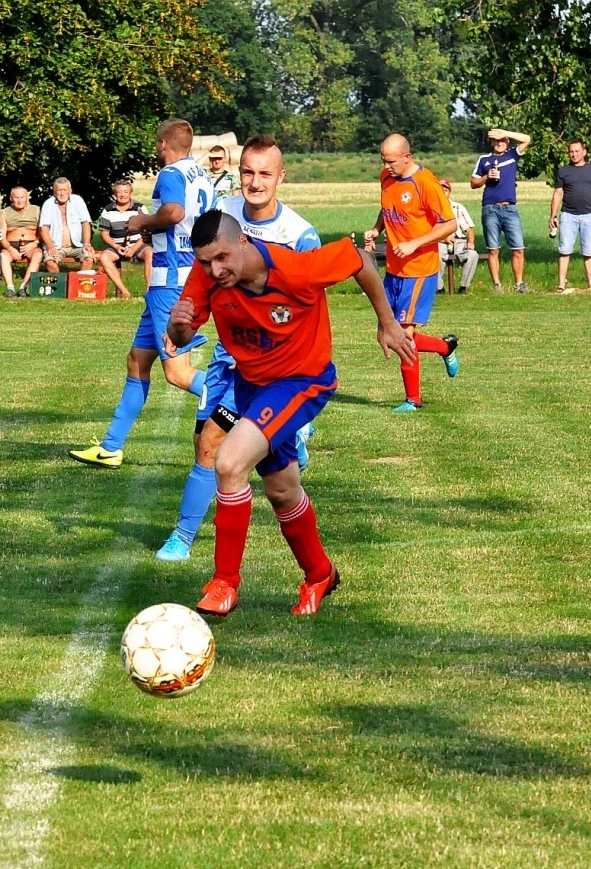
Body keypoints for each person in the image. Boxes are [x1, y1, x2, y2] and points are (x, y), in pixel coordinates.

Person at [169, 210, 415, 617]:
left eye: (223, 257)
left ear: (244, 242)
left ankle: (225, 583)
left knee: (229, 462)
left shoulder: (297, 267)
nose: (215, 269)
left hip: (303, 382)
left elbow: (360, 258)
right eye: (206, 261)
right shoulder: (208, 275)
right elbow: (182, 334)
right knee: (282, 490)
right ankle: (320, 574)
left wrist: (387, 322)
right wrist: (179, 329)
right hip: (252, 387)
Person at [155, 134, 333, 562]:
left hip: (277, 369)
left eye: (264, 174)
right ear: (238, 174)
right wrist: (183, 319)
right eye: (248, 173)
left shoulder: (299, 235)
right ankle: (187, 535)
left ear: (280, 177)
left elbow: (310, 305)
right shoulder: (221, 217)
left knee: (217, 446)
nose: (255, 183)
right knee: (217, 449)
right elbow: (203, 271)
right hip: (228, 358)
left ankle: (188, 542)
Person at [69, 118, 216, 469]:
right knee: (137, 362)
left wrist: (142, 223)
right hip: (179, 276)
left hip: (170, 281)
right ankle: (111, 447)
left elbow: (174, 212)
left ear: (164, 143)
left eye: (157, 142)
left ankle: (249, 407)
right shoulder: (201, 175)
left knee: (178, 373)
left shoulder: (170, 175)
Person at [363, 133, 462, 412]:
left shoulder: (425, 184)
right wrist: (376, 229)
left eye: (391, 160)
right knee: (386, 333)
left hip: (419, 270)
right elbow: (388, 209)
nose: (386, 165)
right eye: (383, 160)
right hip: (394, 269)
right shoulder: (386, 177)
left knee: (404, 336)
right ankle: (445, 347)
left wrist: (415, 243)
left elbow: (450, 224)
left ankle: (413, 400)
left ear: (407, 157)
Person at [470, 127, 532, 293]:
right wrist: (486, 177)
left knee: (518, 248)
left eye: (502, 141)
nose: (499, 144)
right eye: (496, 141)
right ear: (492, 143)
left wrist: (505, 133)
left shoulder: (512, 155)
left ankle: (519, 284)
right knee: (493, 249)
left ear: (507, 142)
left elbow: (527, 139)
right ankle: (497, 285)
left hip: (510, 208)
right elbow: (473, 183)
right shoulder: (484, 159)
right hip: (490, 208)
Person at [550, 140, 591, 294]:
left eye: (576, 151)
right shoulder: (564, 171)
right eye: (571, 152)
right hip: (568, 215)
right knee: (565, 250)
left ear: (584, 152)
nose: (574, 154)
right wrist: (553, 215)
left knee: (588, 251)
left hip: (589, 216)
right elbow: (558, 194)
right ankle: (561, 284)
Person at [96, 179, 151, 299]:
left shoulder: (140, 208)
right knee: (104, 257)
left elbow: (147, 232)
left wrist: (133, 248)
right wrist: (116, 246)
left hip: (138, 245)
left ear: (130, 193)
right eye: (119, 192)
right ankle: (124, 292)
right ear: (114, 194)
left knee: (150, 253)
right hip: (117, 246)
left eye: (126, 192)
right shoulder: (108, 210)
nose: (122, 195)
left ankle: (149, 291)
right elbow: (104, 233)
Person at [38, 178, 95, 273]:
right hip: (56, 246)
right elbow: (43, 228)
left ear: (70, 190)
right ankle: (60, 287)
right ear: (54, 192)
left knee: (89, 259)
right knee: (50, 263)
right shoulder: (48, 204)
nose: (62, 193)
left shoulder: (78, 201)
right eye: (59, 190)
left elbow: (85, 223)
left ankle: (78, 286)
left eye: (64, 190)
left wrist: (86, 244)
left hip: (78, 245)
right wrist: (50, 246)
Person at [0, 186, 43, 296]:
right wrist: (10, 249)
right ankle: (10, 288)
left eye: (22, 197)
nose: (19, 200)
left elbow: (43, 232)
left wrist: (35, 243)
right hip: (11, 246)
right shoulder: (4, 213)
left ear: (27, 197)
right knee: (2, 256)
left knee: (38, 255)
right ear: (11, 198)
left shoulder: (36, 210)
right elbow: (1, 237)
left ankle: (24, 287)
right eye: (16, 197)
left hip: (31, 244)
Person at [438, 179, 477, 295]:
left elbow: (469, 229)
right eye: (440, 190)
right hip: (439, 241)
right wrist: (443, 239)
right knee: (434, 256)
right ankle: (439, 288)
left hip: (458, 239)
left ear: (449, 192)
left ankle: (463, 287)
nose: (443, 192)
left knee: (472, 255)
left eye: (445, 190)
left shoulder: (458, 208)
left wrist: (470, 242)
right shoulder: (430, 208)